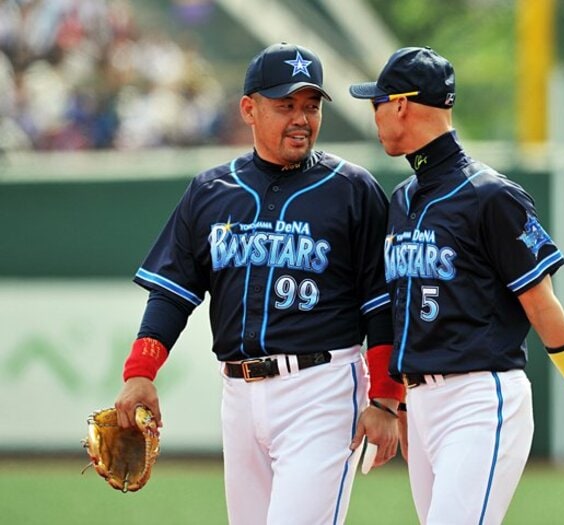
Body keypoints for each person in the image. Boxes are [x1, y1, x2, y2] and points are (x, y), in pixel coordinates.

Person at [114, 42, 404, 525]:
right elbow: (173, 290)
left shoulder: (352, 190)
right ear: (249, 108)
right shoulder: (210, 191)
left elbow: (382, 302)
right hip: (240, 396)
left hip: (323, 389)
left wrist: (386, 398)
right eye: (285, 105)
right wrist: (140, 372)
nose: (301, 118)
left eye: (311, 106)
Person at [349, 47, 564, 524]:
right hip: (422, 406)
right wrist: (394, 399)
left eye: (376, 102)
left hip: (480, 400)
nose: (373, 113)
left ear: (400, 104)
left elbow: (545, 311)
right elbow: (400, 310)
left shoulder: (491, 196)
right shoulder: (402, 199)